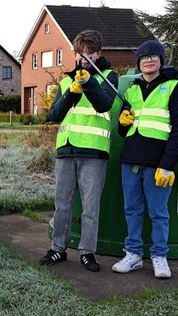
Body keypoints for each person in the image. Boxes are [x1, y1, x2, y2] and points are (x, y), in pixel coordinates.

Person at [39, 30, 118, 272]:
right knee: (62, 204)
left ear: (98, 53)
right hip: (66, 151)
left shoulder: (108, 77)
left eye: (90, 53)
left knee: (90, 208)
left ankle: (87, 252)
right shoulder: (65, 81)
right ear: (75, 53)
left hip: (93, 152)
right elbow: (53, 115)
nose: (85, 58)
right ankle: (57, 249)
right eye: (80, 54)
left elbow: (104, 103)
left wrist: (87, 82)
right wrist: (72, 90)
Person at [112, 40, 178, 279]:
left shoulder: (173, 87)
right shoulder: (131, 89)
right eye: (144, 57)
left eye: (154, 56)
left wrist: (167, 165)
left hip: (158, 163)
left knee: (158, 213)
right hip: (130, 160)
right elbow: (124, 130)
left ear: (161, 61)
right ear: (138, 63)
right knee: (132, 210)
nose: (149, 60)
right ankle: (133, 254)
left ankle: (159, 257)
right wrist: (122, 124)